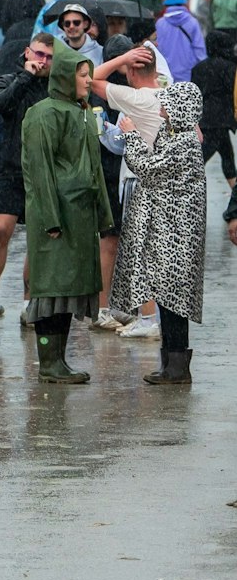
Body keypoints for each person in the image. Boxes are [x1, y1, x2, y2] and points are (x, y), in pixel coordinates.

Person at [21, 41, 112, 383]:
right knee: (49, 290)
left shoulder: (83, 112)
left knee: (66, 291)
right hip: (57, 216)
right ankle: (48, 361)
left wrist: (103, 214)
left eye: (89, 74)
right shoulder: (43, 114)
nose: (88, 81)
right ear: (63, 76)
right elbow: (39, 170)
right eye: (82, 75)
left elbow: (95, 168)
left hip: (79, 215)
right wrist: (50, 218)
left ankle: (57, 359)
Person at [113, 80, 208, 384]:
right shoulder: (179, 137)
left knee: (174, 300)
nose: (161, 106)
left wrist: (130, 135)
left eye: (167, 102)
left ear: (180, 109)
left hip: (177, 236)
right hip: (170, 232)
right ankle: (171, 364)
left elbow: (144, 166)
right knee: (168, 298)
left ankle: (177, 366)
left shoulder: (182, 144)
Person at [0, 33, 58, 330]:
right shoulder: (9, 79)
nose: (42, 61)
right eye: (39, 54)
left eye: (48, 57)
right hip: (11, 167)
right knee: (1, 228)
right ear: (27, 52)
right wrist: (25, 78)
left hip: (43, 171)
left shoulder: (56, 87)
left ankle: (29, 302)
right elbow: (0, 105)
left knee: (37, 235)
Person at [192, 30, 237, 190]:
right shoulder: (230, 67)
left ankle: (235, 195)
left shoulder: (198, 68)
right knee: (202, 159)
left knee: (226, 157)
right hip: (222, 119)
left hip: (204, 119)